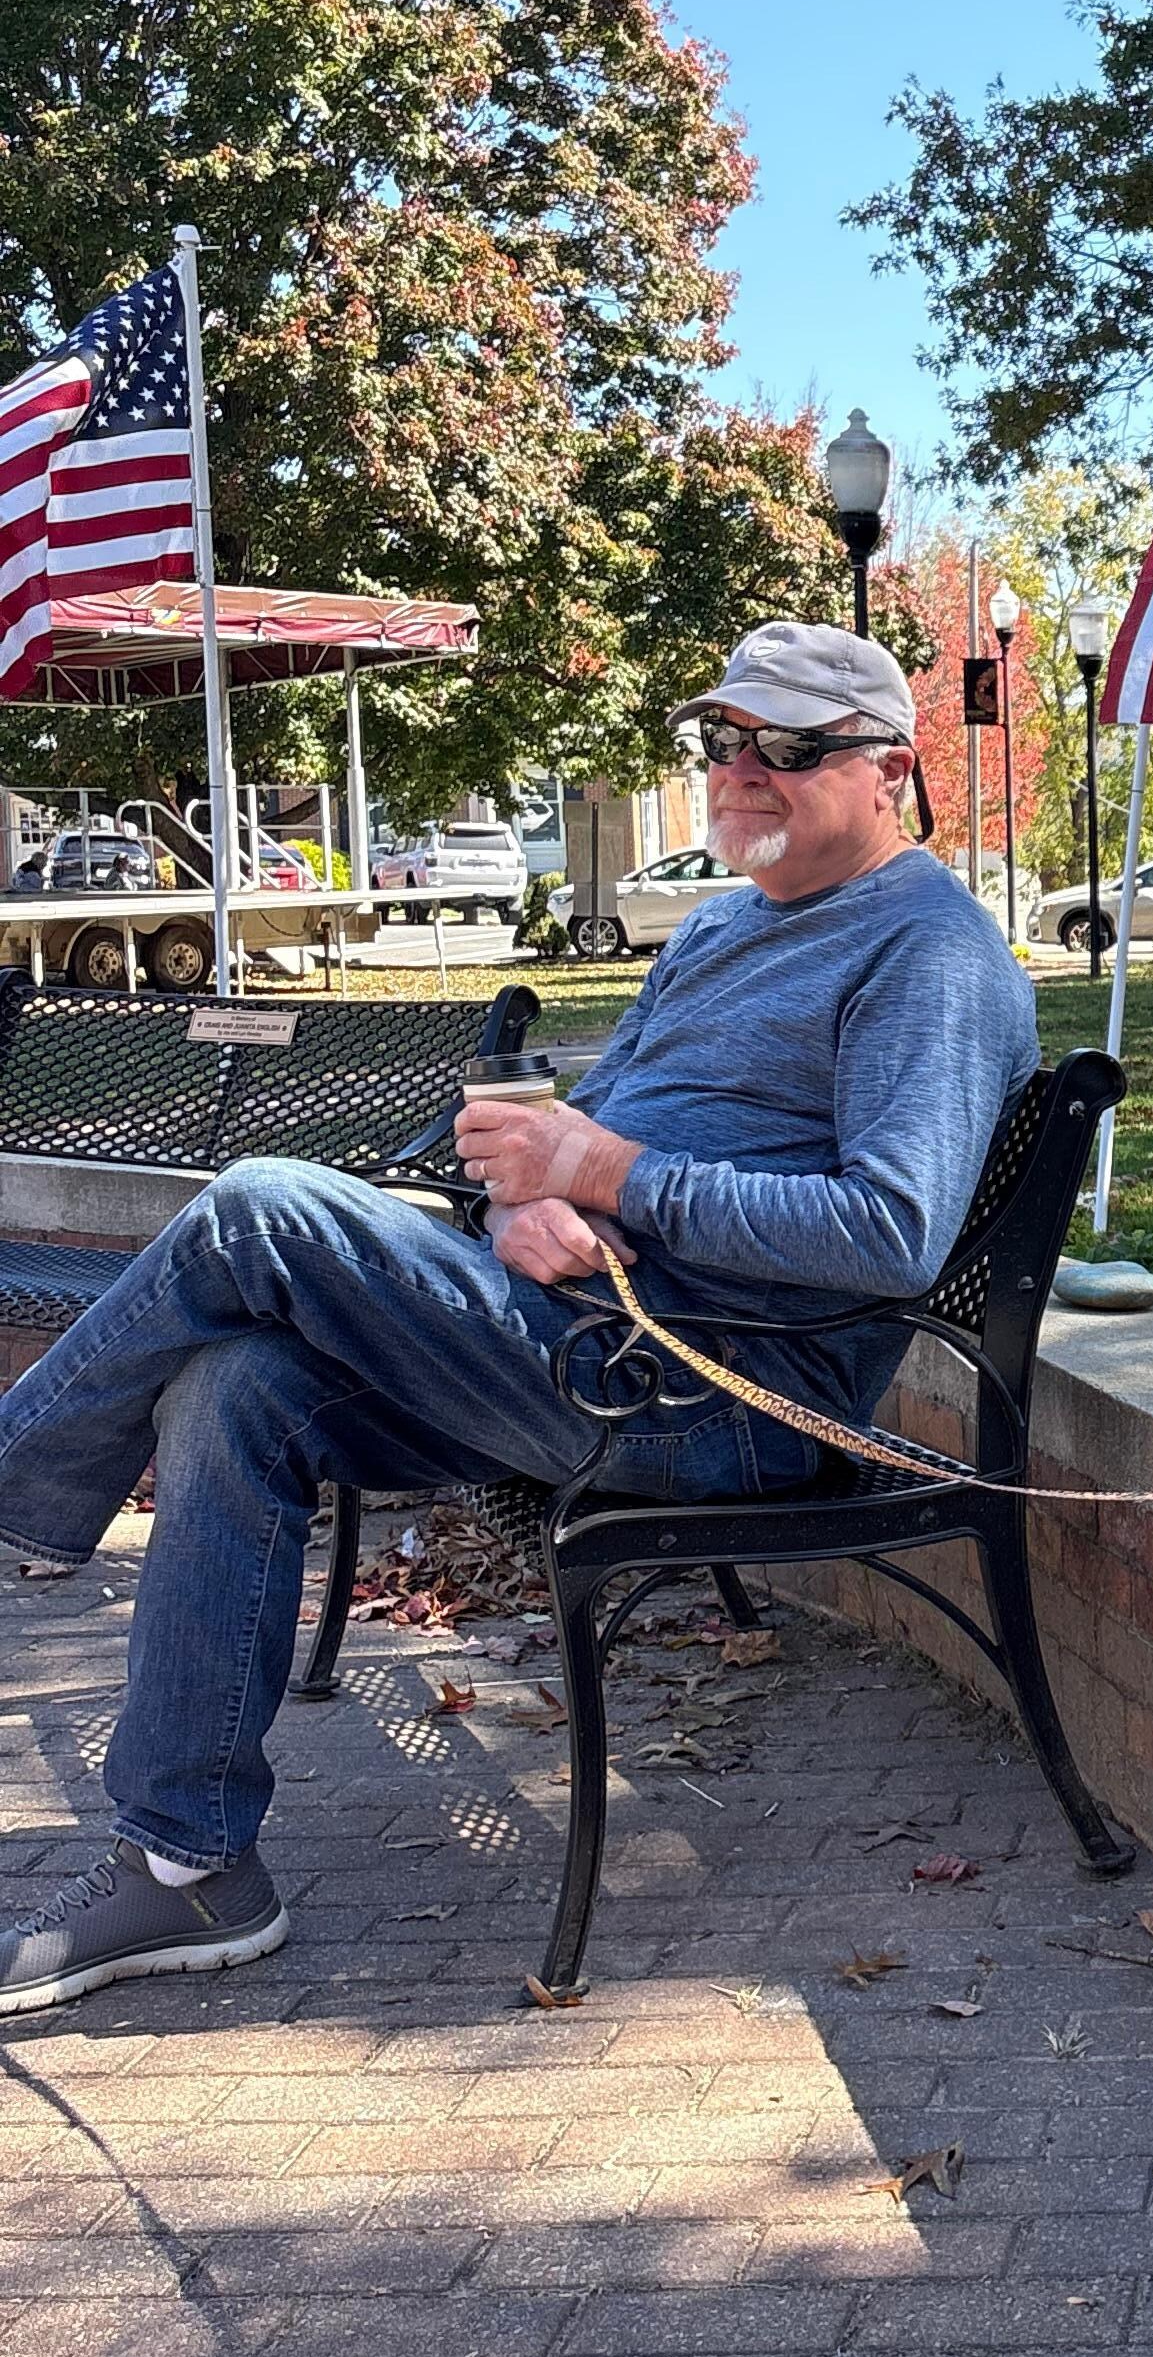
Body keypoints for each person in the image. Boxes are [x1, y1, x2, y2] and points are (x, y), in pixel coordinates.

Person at [0, 622, 1031, 2019]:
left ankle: (17, 1493)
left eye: (787, 751)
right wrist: (524, 1207)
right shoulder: (729, 924)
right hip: (578, 1328)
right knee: (236, 1384)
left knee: (259, 1204)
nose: (742, 773)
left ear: (891, 773)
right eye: (725, 744)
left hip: (704, 1395)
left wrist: (601, 1179)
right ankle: (190, 1864)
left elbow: (887, 1233)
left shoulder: (929, 952)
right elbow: (586, 1144)